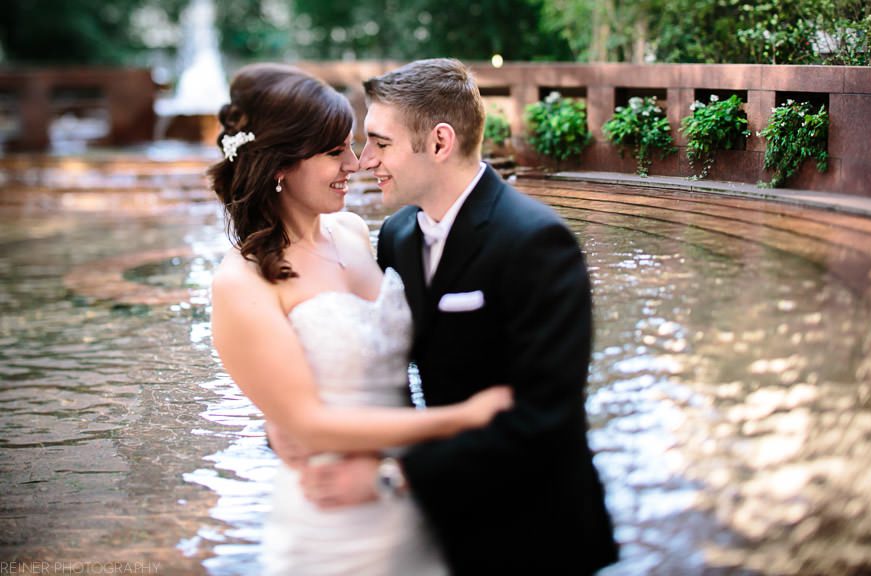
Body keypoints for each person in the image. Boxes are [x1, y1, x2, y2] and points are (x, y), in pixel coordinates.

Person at [284, 58, 619, 575]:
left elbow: (545, 419)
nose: (365, 160)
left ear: (440, 143)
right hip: (443, 528)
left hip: (537, 534)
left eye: (381, 142)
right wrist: (291, 420)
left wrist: (389, 478)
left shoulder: (536, 242)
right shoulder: (397, 237)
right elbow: (371, 355)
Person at [207, 62, 513, 576]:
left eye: (354, 146)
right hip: (335, 518)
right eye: (335, 152)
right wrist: (465, 420)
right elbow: (307, 420)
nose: (356, 163)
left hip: (410, 495)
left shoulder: (354, 232)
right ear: (281, 164)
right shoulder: (239, 283)